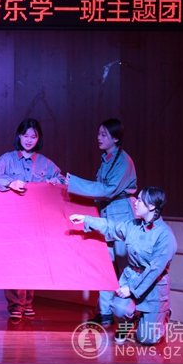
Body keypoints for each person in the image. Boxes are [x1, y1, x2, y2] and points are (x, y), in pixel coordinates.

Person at [69, 187, 177, 345]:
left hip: (153, 288)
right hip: (131, 277)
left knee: (147, 339)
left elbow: (154, 270)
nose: (135, 203)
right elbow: (111, 227)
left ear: (152, 206)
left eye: (140, 200)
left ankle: (162, 315)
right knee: (119, 309)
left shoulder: (165, 235)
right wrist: (86, 219)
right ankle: (129, 322)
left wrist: (131, 289)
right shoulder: (133, 225)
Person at [0, 118, 66, 320]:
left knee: (32, 260)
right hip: (12, 220)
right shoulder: (8, 159)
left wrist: (53, 181)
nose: (29, 140)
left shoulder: (45, 163)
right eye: (25, 135)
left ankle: (28, 303)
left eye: (33, 136)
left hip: (36, 221)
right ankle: (15, 305)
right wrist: (10, 182)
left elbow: (62, 179)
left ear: (38, 138)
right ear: (19, 136)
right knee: (13, 261)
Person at [65, 118, 137, 326]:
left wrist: (74, 183)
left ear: (116, 138)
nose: (99, 137)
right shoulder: (107, 158)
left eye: (104, 134)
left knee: (124, 265)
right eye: (99, 133)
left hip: (121, 213)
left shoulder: (123, 161)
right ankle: (104, 312)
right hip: (107, 212)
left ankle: (129, 313)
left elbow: (108, 190)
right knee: (106, 264)